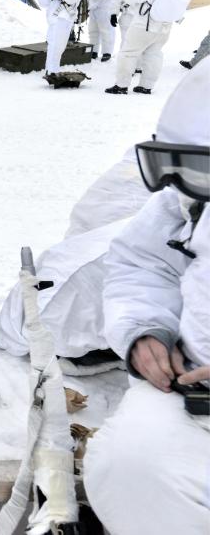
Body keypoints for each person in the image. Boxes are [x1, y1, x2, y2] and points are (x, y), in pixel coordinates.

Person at [83, 58, 210, 533]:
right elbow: (143, 263)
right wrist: (144, 331)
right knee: (124, 467)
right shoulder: (195, 195)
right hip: (191, 386)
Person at [106, 0, 177, 95]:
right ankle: (146, 86)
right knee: (154, 54)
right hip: (164, 27)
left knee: (128, 53)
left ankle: (121, 85)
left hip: (144, 25)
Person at [43, 0, 88, 84]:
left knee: (58, 45)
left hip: (64, 15)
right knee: (56, 45)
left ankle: (52, 70)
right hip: (60, 15)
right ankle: (51, 71)